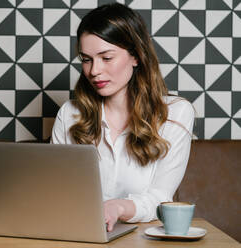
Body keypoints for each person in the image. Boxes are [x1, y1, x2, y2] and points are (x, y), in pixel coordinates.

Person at [51, 3, 195, 232]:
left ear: (136, 56)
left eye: (106, 58)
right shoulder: (70, 114)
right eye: (86, 59)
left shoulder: (175, 113)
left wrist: (118, 208)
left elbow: (160, 197)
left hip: (145, 240)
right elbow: (56, 191)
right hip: (80, 234)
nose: (94, 70)